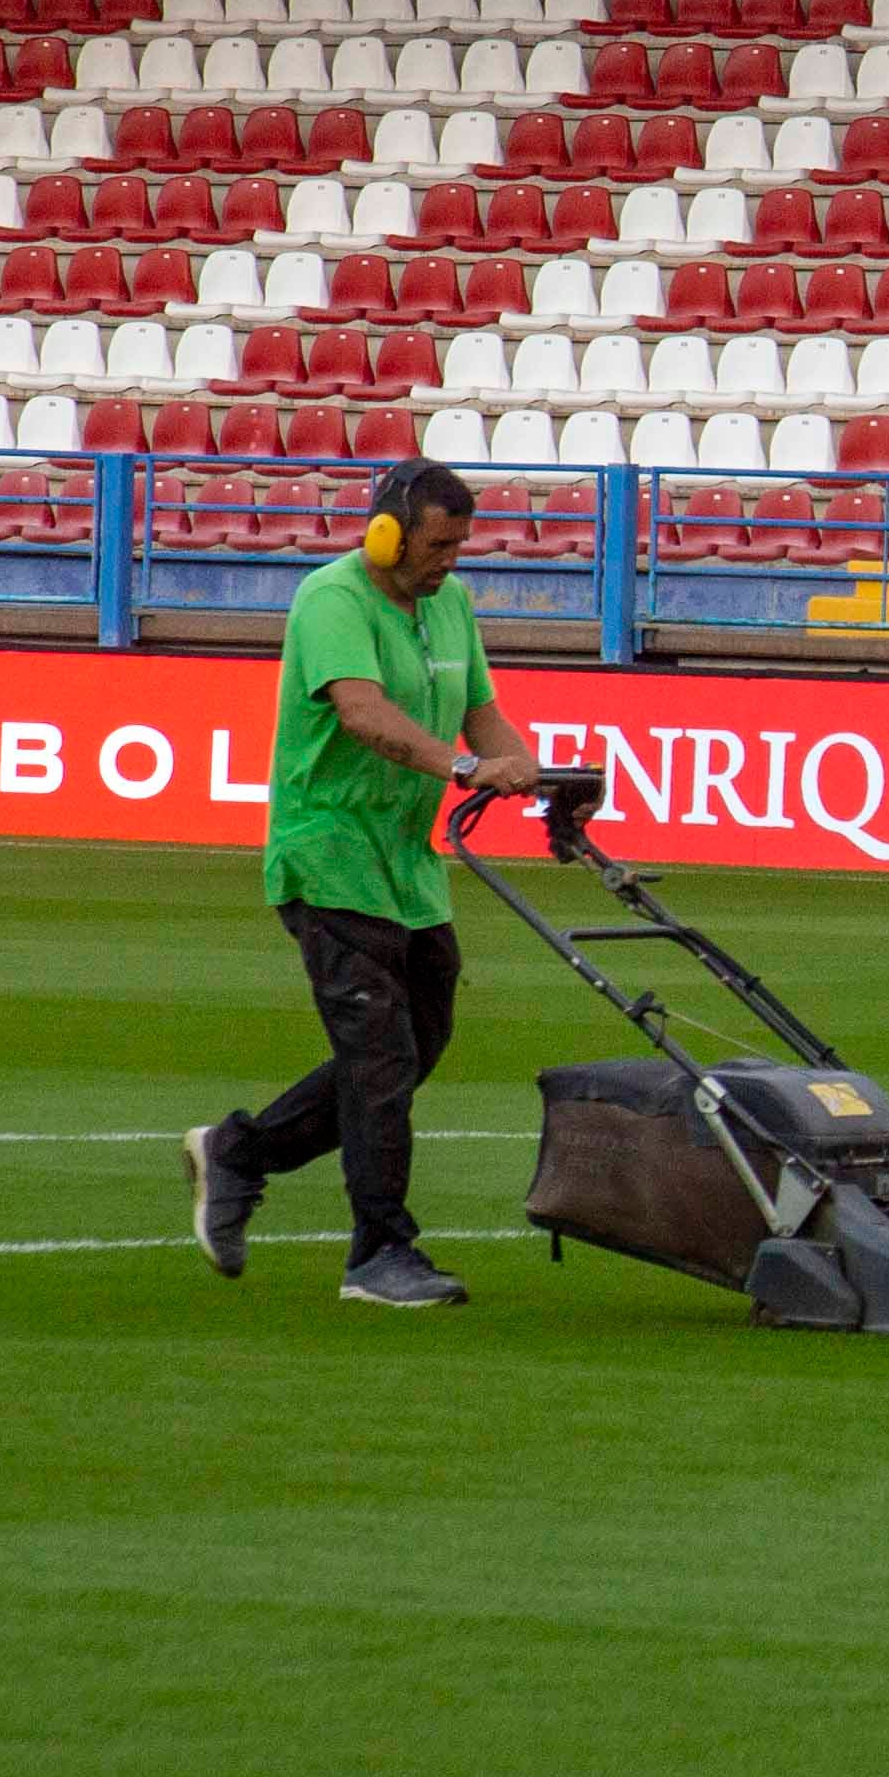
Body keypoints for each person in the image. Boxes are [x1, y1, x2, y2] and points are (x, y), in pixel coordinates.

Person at [185, 460, 540, 1307]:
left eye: (461, 544)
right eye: (438, 543)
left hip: (407, 867)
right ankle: (380, 1253)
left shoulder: (449, 605)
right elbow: (363, 713)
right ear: (387, 531)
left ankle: (239, 1152)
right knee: (381, 1058)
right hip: (328, 855)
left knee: (415, 1045)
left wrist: (525, 764)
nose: (450, 560)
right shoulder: (332, 599)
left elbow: (480, 709)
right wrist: (465, 767)